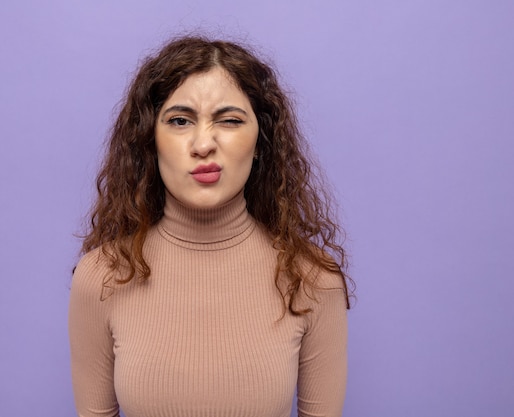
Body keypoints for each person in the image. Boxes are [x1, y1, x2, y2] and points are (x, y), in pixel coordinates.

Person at [69, 35, 352, 417]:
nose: (203, 144)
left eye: (230, 120)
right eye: (180, 121)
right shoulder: (101, 276)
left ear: (261, 141)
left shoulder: (314, 279)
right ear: (150, 139)